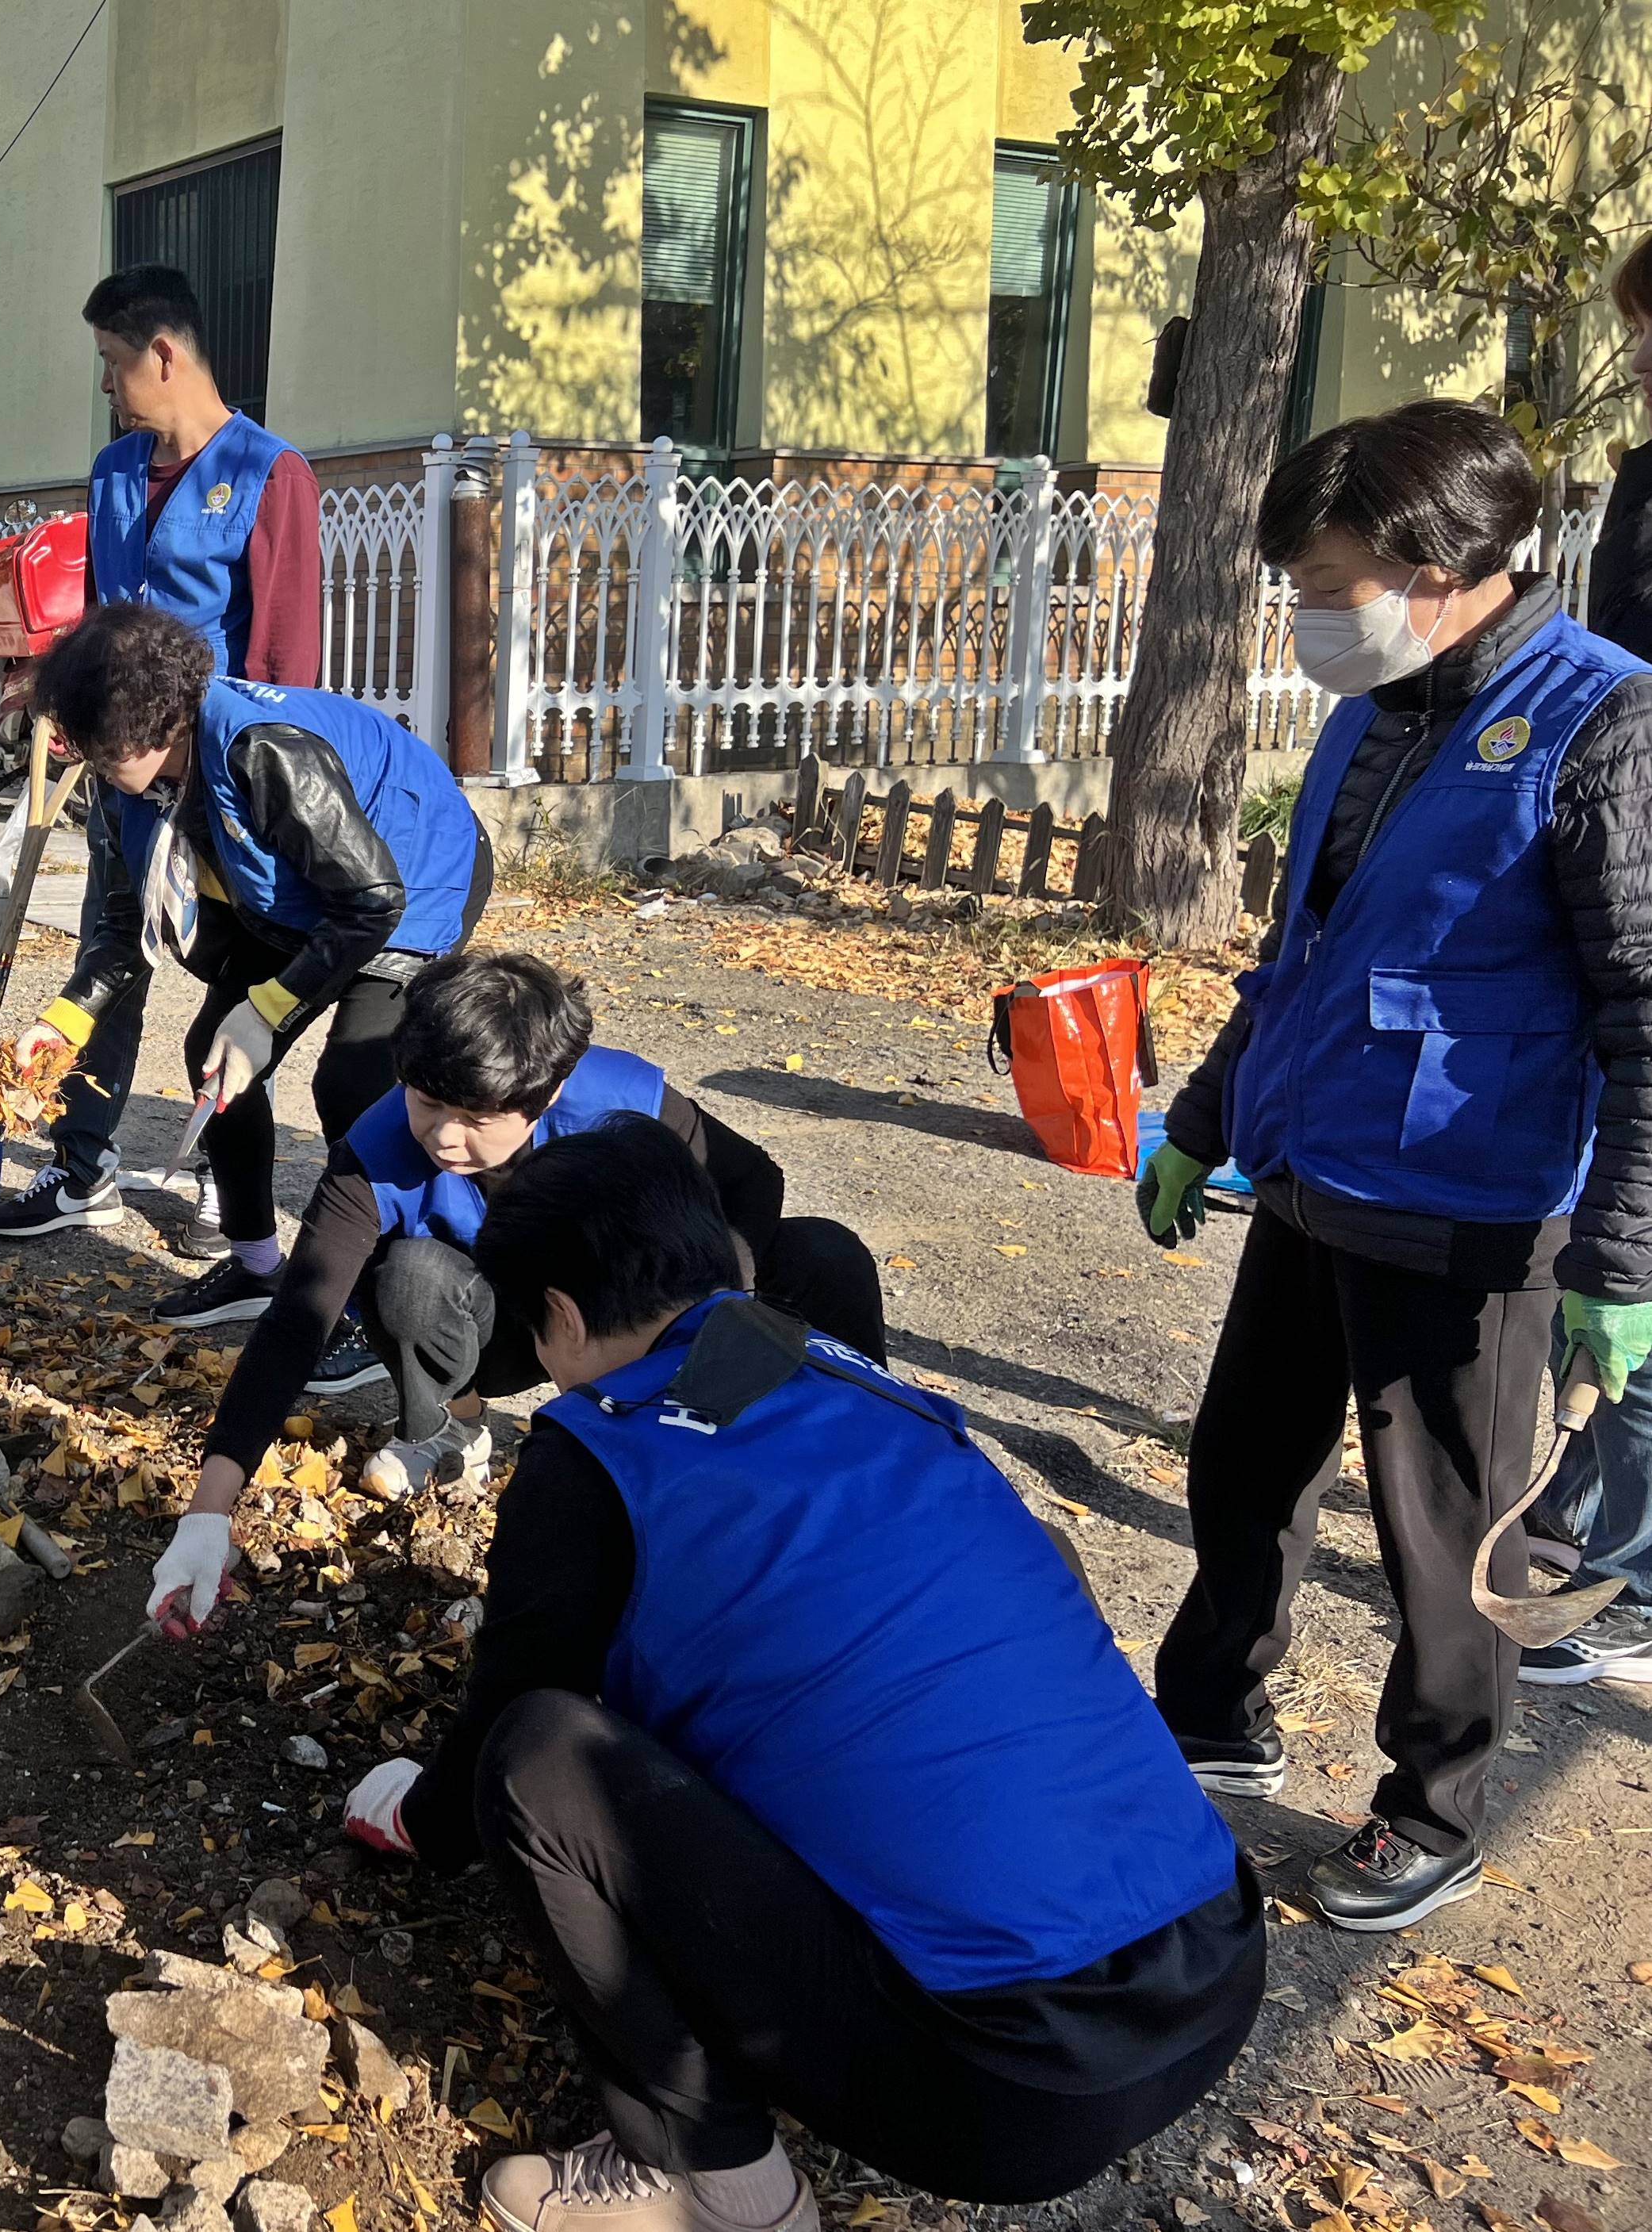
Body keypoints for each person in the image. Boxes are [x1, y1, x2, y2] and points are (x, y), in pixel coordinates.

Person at [340, 1121, 1263, 2231]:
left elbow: (516, 1707)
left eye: (537, 1332)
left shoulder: (595, 1450)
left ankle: (710, 2181)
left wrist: (420, 1818)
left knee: (535, 1758)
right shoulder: (849, 1375)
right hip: (1214, 1968)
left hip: (1006, 2090)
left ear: (567, 1317)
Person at [1139, 398, 1652, 1927]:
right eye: (1298, 580)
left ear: (1448, 562)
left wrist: (1617, 1264)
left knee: (1443, 1530)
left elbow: (1645, 1009)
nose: (1309, 610)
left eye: (1329, 578)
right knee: (1243, 1469)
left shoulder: (1603, 722)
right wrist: (1204, 1119)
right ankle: (1216, 1712)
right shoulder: (1382, 701)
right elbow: (1304, 951)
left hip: (1468, 1211)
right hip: (1310, 1171)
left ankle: (1432, 1800)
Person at [144, 952, 886, 1634]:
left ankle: (869, 1452)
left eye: (477, 1118)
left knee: (827, 1254)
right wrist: (207, 1514)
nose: (443, 1136)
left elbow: (754, 1180)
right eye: (427, 1101)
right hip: (506, 1322)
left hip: (632, 1300)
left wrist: (722, 1322)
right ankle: (454, 1427)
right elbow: (295, 1323)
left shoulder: (621, 1102)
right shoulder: (373, 1152)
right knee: (407, 1279)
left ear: (549, 1091)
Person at [6, 602, 486, 1335]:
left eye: (95, 743)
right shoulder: (132, 779)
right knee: (214, 1057)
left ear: (149, 724)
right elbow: (121, 922)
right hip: (304, 898)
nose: (85, 758)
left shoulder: (264, 751)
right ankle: (258, 1266)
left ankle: (376, 1307)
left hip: (408, 883)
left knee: (355, 1083)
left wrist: (267, 1010)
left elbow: (368, 900)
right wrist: (62, 1021)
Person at [0, 263, 324, 1257]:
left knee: (233, 978)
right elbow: (97, 623)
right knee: (111, 960)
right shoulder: (113, 475)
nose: (104, 386)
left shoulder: (270, 473)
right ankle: (81, 1164)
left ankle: (234, 1178)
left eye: (110, 362)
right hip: (126, 783)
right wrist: (58, 704)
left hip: (222, 783)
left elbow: (285, 663)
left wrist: (257, 791)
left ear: (164, 354)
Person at [1516, 236, 1652, 1685]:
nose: (1643, 356)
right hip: (1629, 851)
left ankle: (1625, 1566)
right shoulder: (1642, 481)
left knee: (1638, 1249)